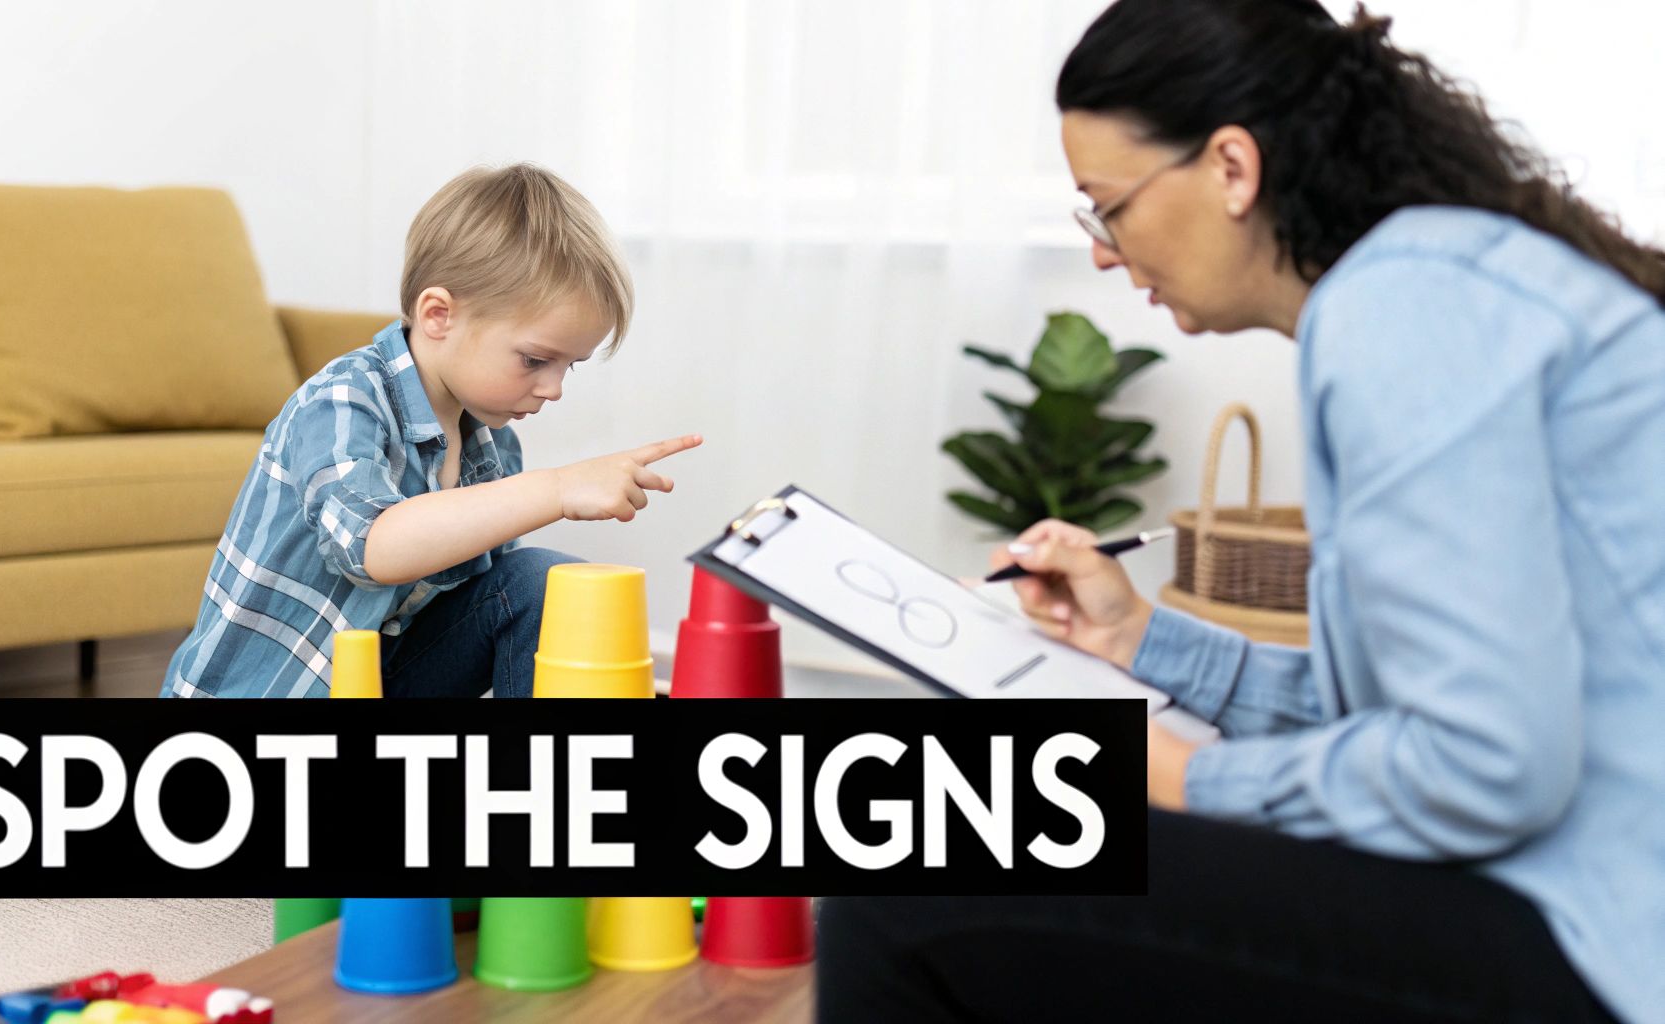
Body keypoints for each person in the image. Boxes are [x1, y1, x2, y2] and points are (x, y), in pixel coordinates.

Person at [818, 2, 1662, 1021]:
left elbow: (1487, 766)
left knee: (912, 868)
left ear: (1231, 167)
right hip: (1582, 900)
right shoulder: (1436, 279)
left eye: (1108, 207)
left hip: (1608, 945)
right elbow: (1418, 719)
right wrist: (1139, 639)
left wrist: (1179, 775)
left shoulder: (1405, 305)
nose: (1103, 251)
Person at [162, 164, 701, 700]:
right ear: (439, 315)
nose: (553, 389)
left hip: (380, 677)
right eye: (535, 360)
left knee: (541, 585)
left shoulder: (493, 444)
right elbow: (371, 548)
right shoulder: (342, 401)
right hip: (270, 694)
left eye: (570, 366)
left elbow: (478, 607)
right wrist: (556, 489)